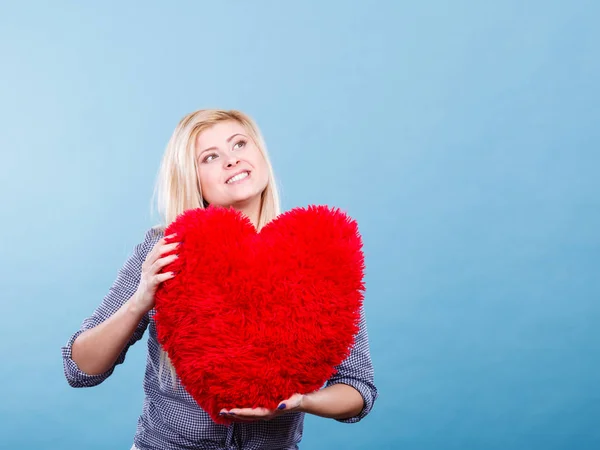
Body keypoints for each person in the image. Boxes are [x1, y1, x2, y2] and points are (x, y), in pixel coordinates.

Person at [61, 109, 378, 450]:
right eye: (210, 157)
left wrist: (299, 401)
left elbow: (358, 388)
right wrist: (140, 300)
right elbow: (79, 369)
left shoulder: (316, 253)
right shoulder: (164, 250)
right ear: (191, 177)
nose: (231, 160)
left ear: (260, 155)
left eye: (240, 144)